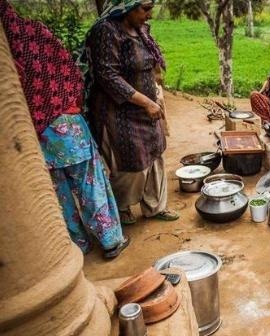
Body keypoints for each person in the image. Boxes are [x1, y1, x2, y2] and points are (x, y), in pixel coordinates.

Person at [0, 0, 129, 258]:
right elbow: (70, 69)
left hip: (33, 133)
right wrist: (71, 101)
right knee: (89, 183)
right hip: (67, 125)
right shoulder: (35, 34)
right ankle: (110, 240)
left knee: (59, 193)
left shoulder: (7, 51)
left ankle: (77, 244)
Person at [81, 0, 179, 224]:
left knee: (155, 154)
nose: (149, 14)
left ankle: (155, 206)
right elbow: (108, 76)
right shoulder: (106, 31)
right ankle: (122, 206)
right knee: (131, 160)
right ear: (125, 6)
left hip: (148, 108)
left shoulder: (140, 29)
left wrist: (154, 94)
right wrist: (145, 102)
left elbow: (149, 64)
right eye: (144, 9)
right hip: (120, 111)